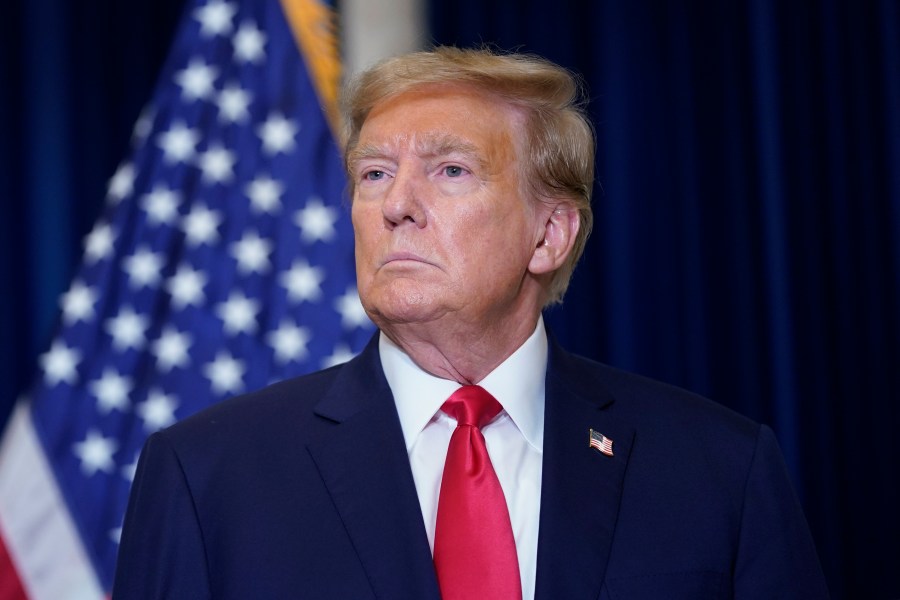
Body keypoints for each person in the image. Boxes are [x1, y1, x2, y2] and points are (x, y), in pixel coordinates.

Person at [112, 47, 828, 599]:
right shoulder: (207, 476)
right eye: (374, 174)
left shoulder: (720, 473)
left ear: (548, 234)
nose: (397, 205)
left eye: (450, 170)